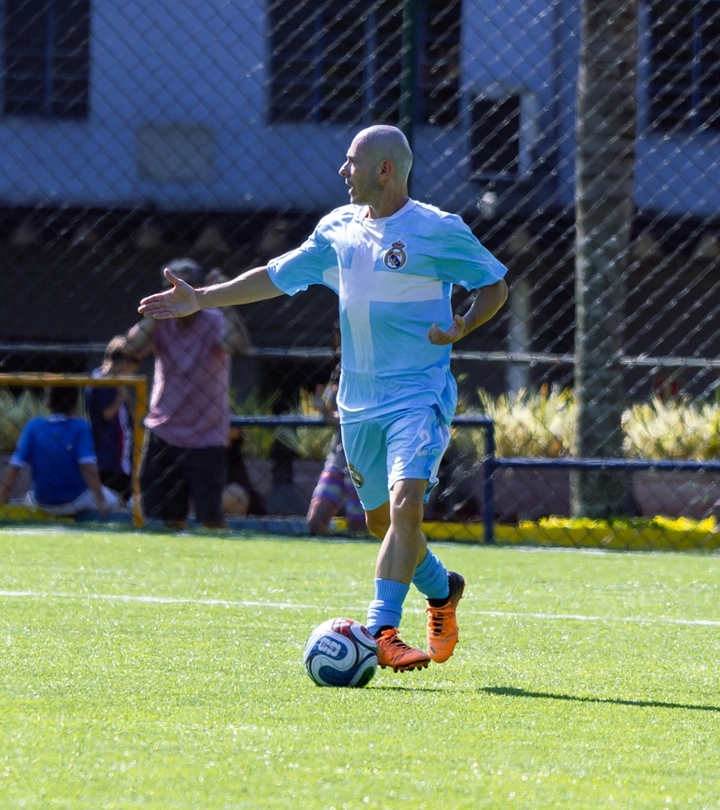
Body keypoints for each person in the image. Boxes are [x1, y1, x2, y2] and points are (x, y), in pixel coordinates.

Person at [138, 126, 508, 671]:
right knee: (383, 525)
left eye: (351, 160)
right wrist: (202, 300)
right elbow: (273, 276)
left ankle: (382, 629)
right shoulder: (336, 230)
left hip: (418, 395)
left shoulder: (438, 230)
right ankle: (442, 588)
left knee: (407, 506)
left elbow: (494, 283)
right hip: (357, 405)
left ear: (384, 169)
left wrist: (464, 325)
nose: (342, 170)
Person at [123, 257, 252, 530]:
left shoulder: (215, 319)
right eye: (169, 285)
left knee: (210, 517)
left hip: (207, 433)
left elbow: (237, 346)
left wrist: (222, 298)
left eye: (185, 284)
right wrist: (158, 312)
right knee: (162, 518)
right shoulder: (161, 323)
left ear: (201, 287)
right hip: (164, 429)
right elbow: (131, 348)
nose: (177, 290)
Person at [0, 386, 120, 516]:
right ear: (75, 404)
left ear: (48, 401)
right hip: (76, 500)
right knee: (116, 500)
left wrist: (4, 493)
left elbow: (15, 464)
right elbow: (87, 467)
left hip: (41, 501)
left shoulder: (34, 426)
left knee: (23, 500)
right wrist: (101, 501)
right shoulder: (80, 426)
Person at [306, 330, 365, 536]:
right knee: (316, 522)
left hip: (362, 461)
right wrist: (323, 408)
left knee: (359, 527)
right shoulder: (340, 371)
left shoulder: (370, 369)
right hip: (339, 459)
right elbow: (335, 415)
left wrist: (326, 411)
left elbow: (354, 418)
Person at [85, 336, 141, 502]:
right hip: (109, 457)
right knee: (114, 499)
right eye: (134, 361)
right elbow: (107, 414)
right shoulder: (101, 380)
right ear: (123, 361)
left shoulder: (118, 382)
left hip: (123, 456)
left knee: (127, 498)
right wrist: (119, 398)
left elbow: (130, 416)